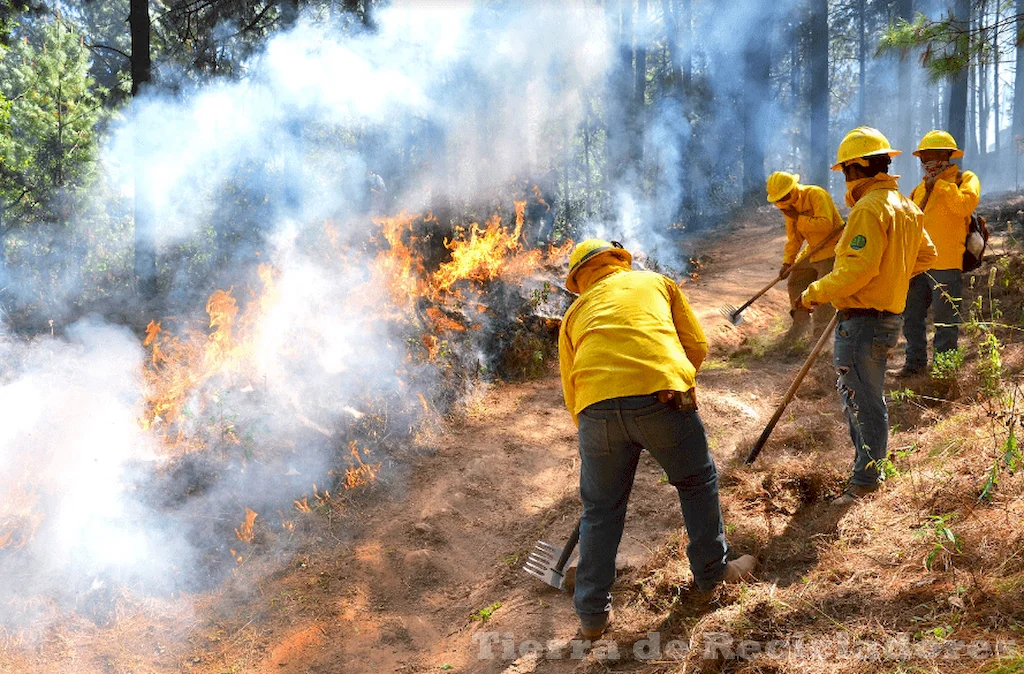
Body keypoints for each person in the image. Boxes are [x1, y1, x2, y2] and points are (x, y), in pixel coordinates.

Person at [558, 239, 756, 639]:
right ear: (619, 261)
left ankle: (592, 615)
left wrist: (601, 431)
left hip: (595, 409)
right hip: (662, 397)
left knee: (600, 510)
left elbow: (570, 391)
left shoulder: (573, 313)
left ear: (579, 279)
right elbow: (696, 345)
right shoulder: (654, 283)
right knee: (696, 483)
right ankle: (713, 574)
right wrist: (676, 382)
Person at [798, 127, 937, 506]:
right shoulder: (906, 206)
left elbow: (856, 271)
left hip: (862, 321)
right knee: (866, 395)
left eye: (845, 170)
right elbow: (926, 256)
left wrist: (813, 292)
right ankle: (869, 470)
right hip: (885, 317)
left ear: (858, 168)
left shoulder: (868, 208)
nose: (844, 178)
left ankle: (865, 481)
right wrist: (891, 275)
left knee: (863, 399)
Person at [899, 130, 981, 377]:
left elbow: (964, 206)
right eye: (923, 157)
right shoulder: (918, 191)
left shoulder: (965, 180)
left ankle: (945, 373)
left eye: (932, 156)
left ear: (947, 155)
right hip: (917, 266)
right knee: (912, 319)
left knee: (946, 323)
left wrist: (942, 185)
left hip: (947, 265)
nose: (927, 162)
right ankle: (914, 365)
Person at [766, 171, 845, 344]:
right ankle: (800, 327)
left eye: (784, 197)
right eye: (778, 200)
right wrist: (788, 262)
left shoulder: (815, 194)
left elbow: (826, 225)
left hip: (833, 248)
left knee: (824, 294)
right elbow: (794, 239)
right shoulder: (788, 208)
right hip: (813, 250)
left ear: (793, 190)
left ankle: (822, 341)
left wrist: (799, 218)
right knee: (796, 282)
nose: (782, 202)